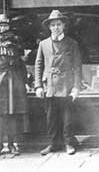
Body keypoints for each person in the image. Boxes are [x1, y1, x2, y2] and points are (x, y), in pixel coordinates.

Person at [34, 10, 82, 156]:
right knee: (51, 117)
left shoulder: (72, 43)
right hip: (49, 86)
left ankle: (68, 143)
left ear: (63, 26)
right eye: (53, 25)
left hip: (66, 85)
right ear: (49, 27)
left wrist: (76, 87)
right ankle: (53, 143)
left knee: (68, 117)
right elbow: (38, 65)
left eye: (58, 24)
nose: (56, 27)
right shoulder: (43, 44)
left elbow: (77, 66)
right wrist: (38, 86)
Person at [0, 14, 30, 158]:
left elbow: (21, 63)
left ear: (9, 26)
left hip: (12, 79)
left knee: (12, 113)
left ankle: (11, 144)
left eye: (5, 25)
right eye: (0, 25)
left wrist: (25, 82)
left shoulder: (15, 42)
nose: (3, 28)